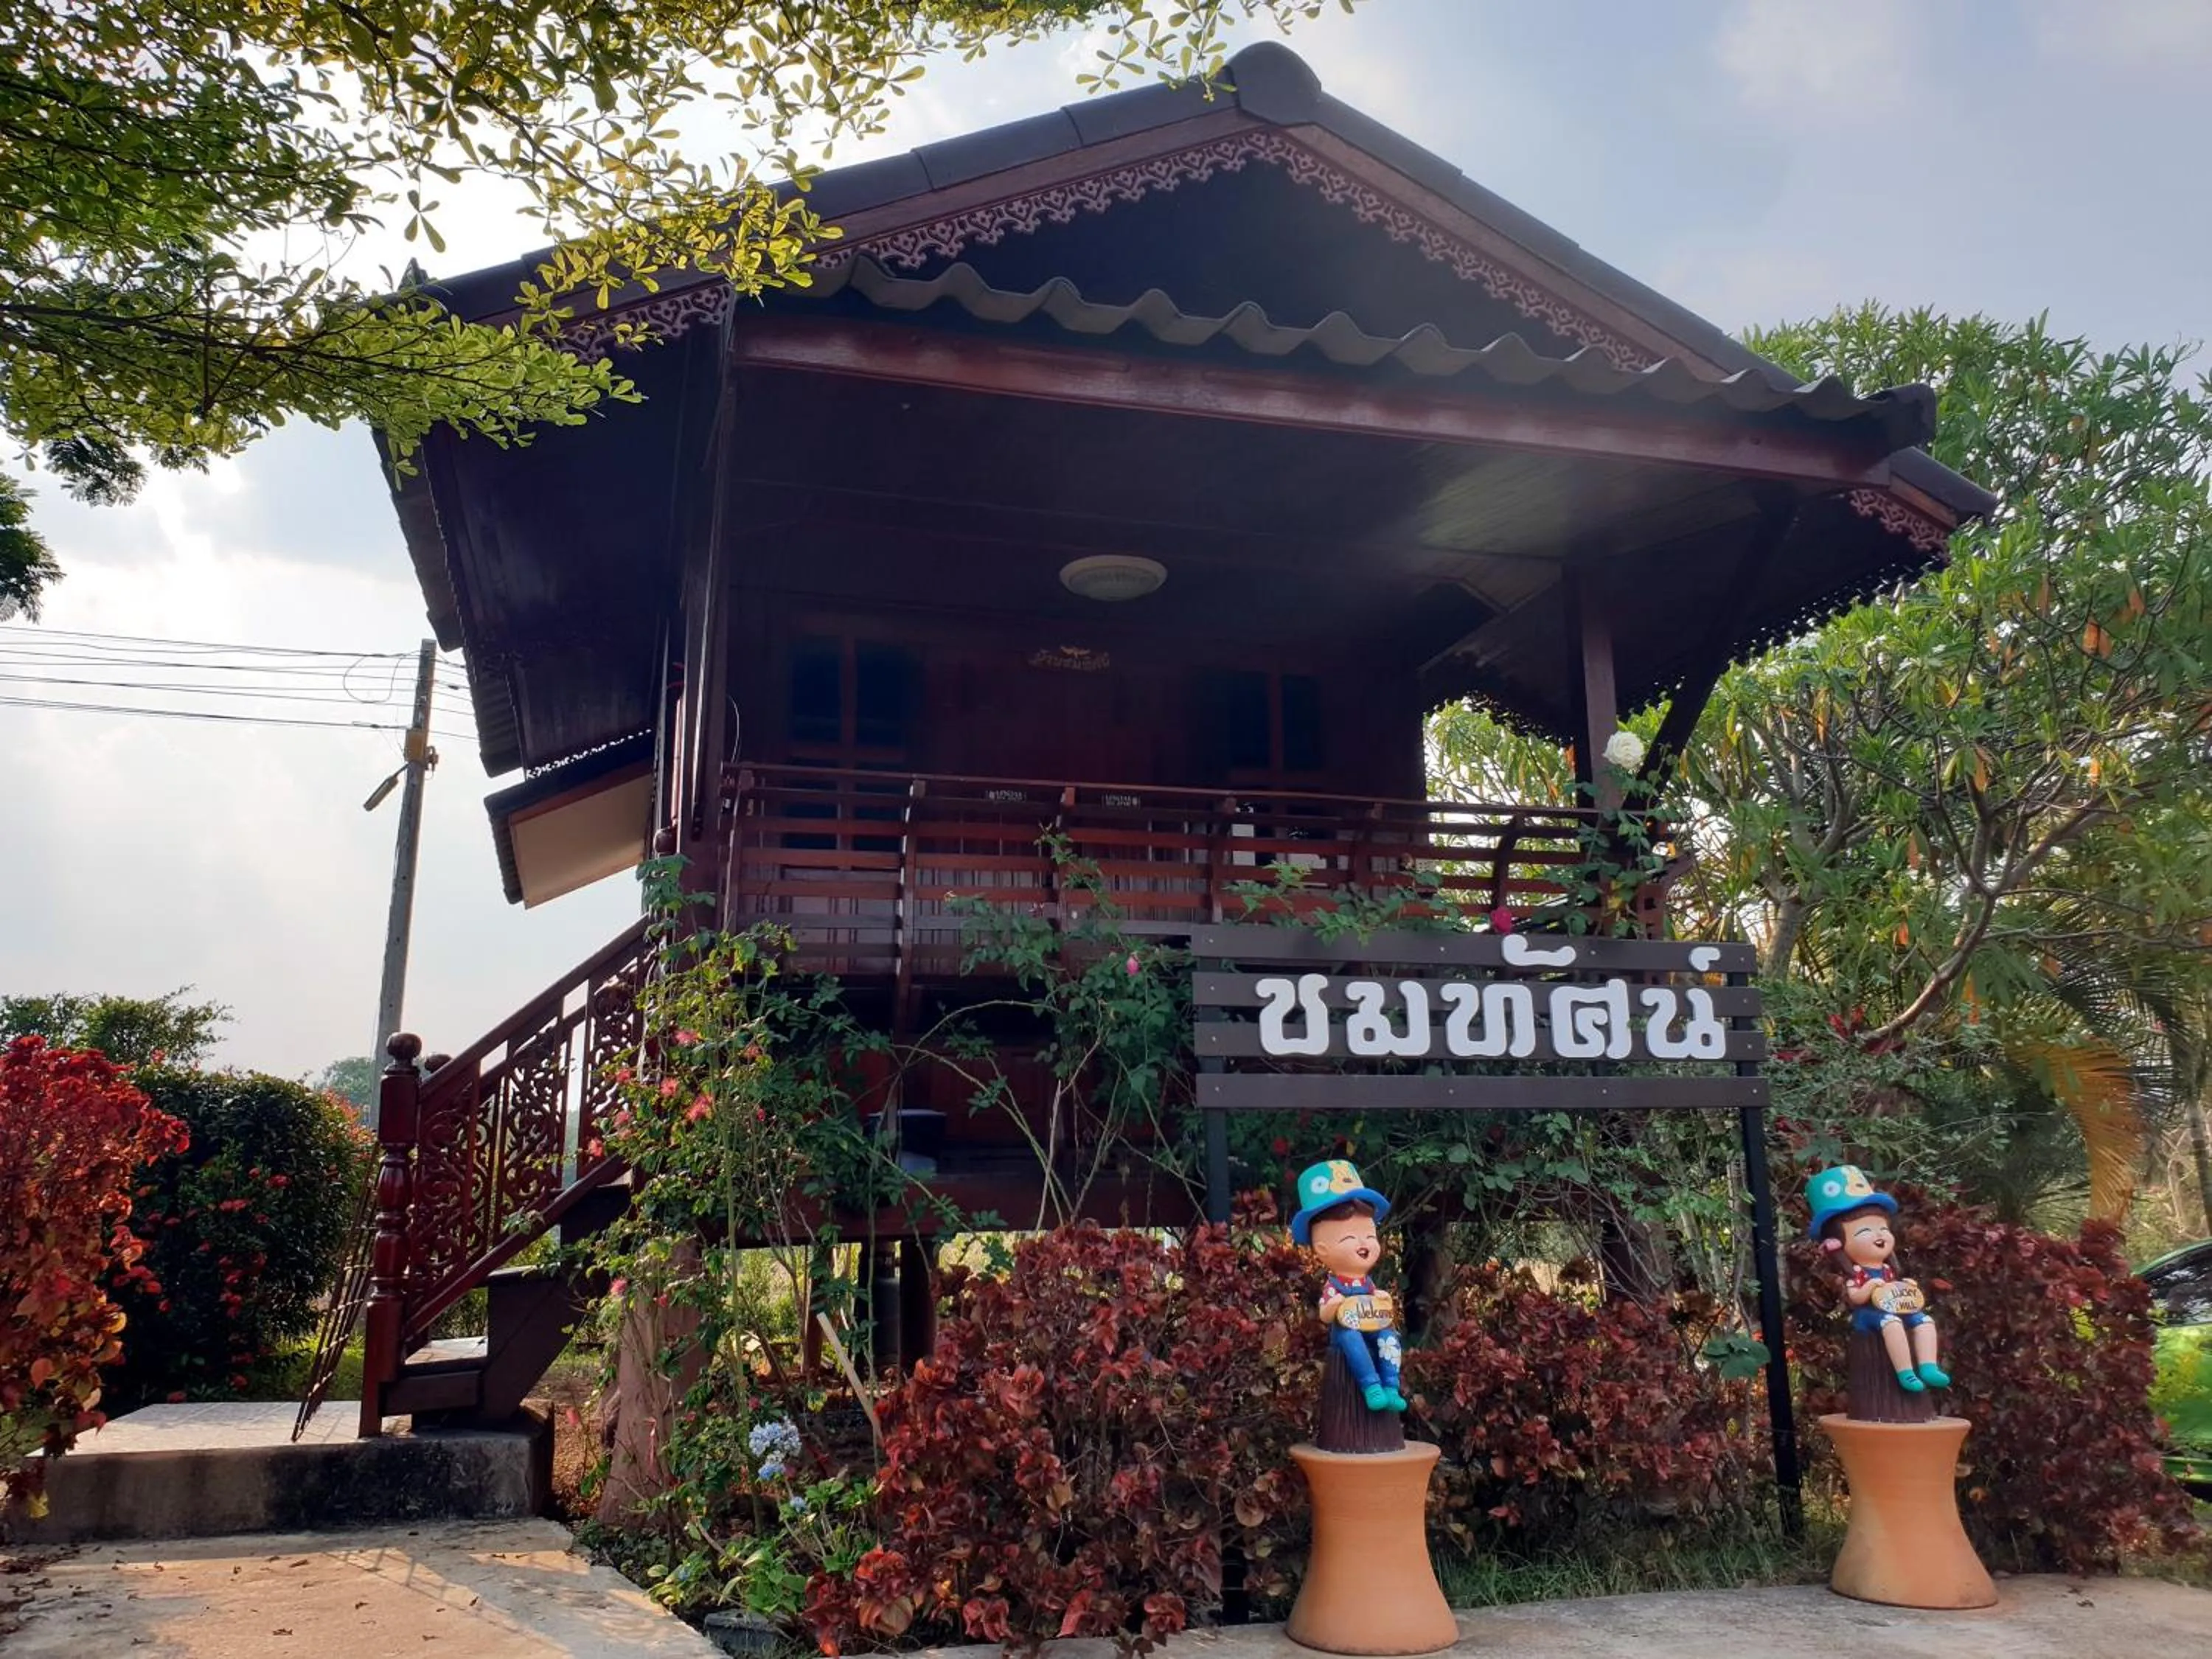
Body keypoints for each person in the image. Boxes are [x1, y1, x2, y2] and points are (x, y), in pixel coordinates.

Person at [1806, 1164, 1951, 1394]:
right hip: (1871, 1315)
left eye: (1883, 1229)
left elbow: (1896, 1288)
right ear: (1840, 1243)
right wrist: (1870, 1288)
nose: (1879, 1236)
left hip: (1897, 1306)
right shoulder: (1856, 1273)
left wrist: (1906, 1287)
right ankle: (1906, 1373)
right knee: (1891, 1324)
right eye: (1865, 1231)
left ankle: (1928, 1366)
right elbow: (1854, 1296)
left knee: (1924, 1321)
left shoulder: (1887, 1269)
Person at [1289, 1158, 1408, 1413]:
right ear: (1322, 1249)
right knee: (1352, 1339)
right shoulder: (1334, 1285)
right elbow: (1325, 1313)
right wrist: (1333, 1307)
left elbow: (1377, 1301)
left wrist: (1384, 1300)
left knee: (1389, 1336)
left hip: (1372, 1325)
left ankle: (1391, 1386)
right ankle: (1371, 1386)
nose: (1363, 1244)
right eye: (1350, 1238)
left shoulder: (1367, 1283)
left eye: (1369, 1236)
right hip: (1346, 1331)